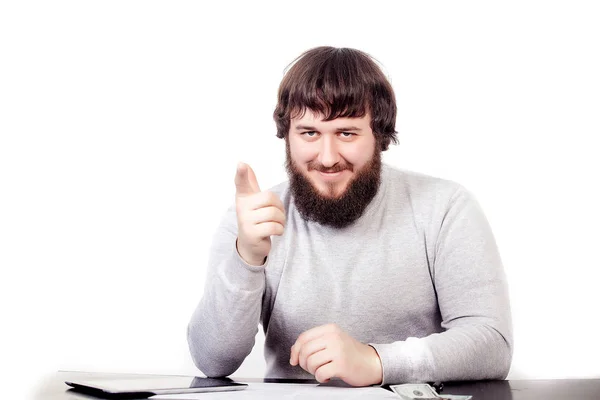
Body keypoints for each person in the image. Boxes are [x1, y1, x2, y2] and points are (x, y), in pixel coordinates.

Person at [187, 46, 512, 386]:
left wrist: (376, 362)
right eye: (309, 133)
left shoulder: (445, 208)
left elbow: (492, 342)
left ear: (380, 135)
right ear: (288, 135)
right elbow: (212, 361)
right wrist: (247, 258)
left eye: (346, 133)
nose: (327, 159)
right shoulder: (254, 220)